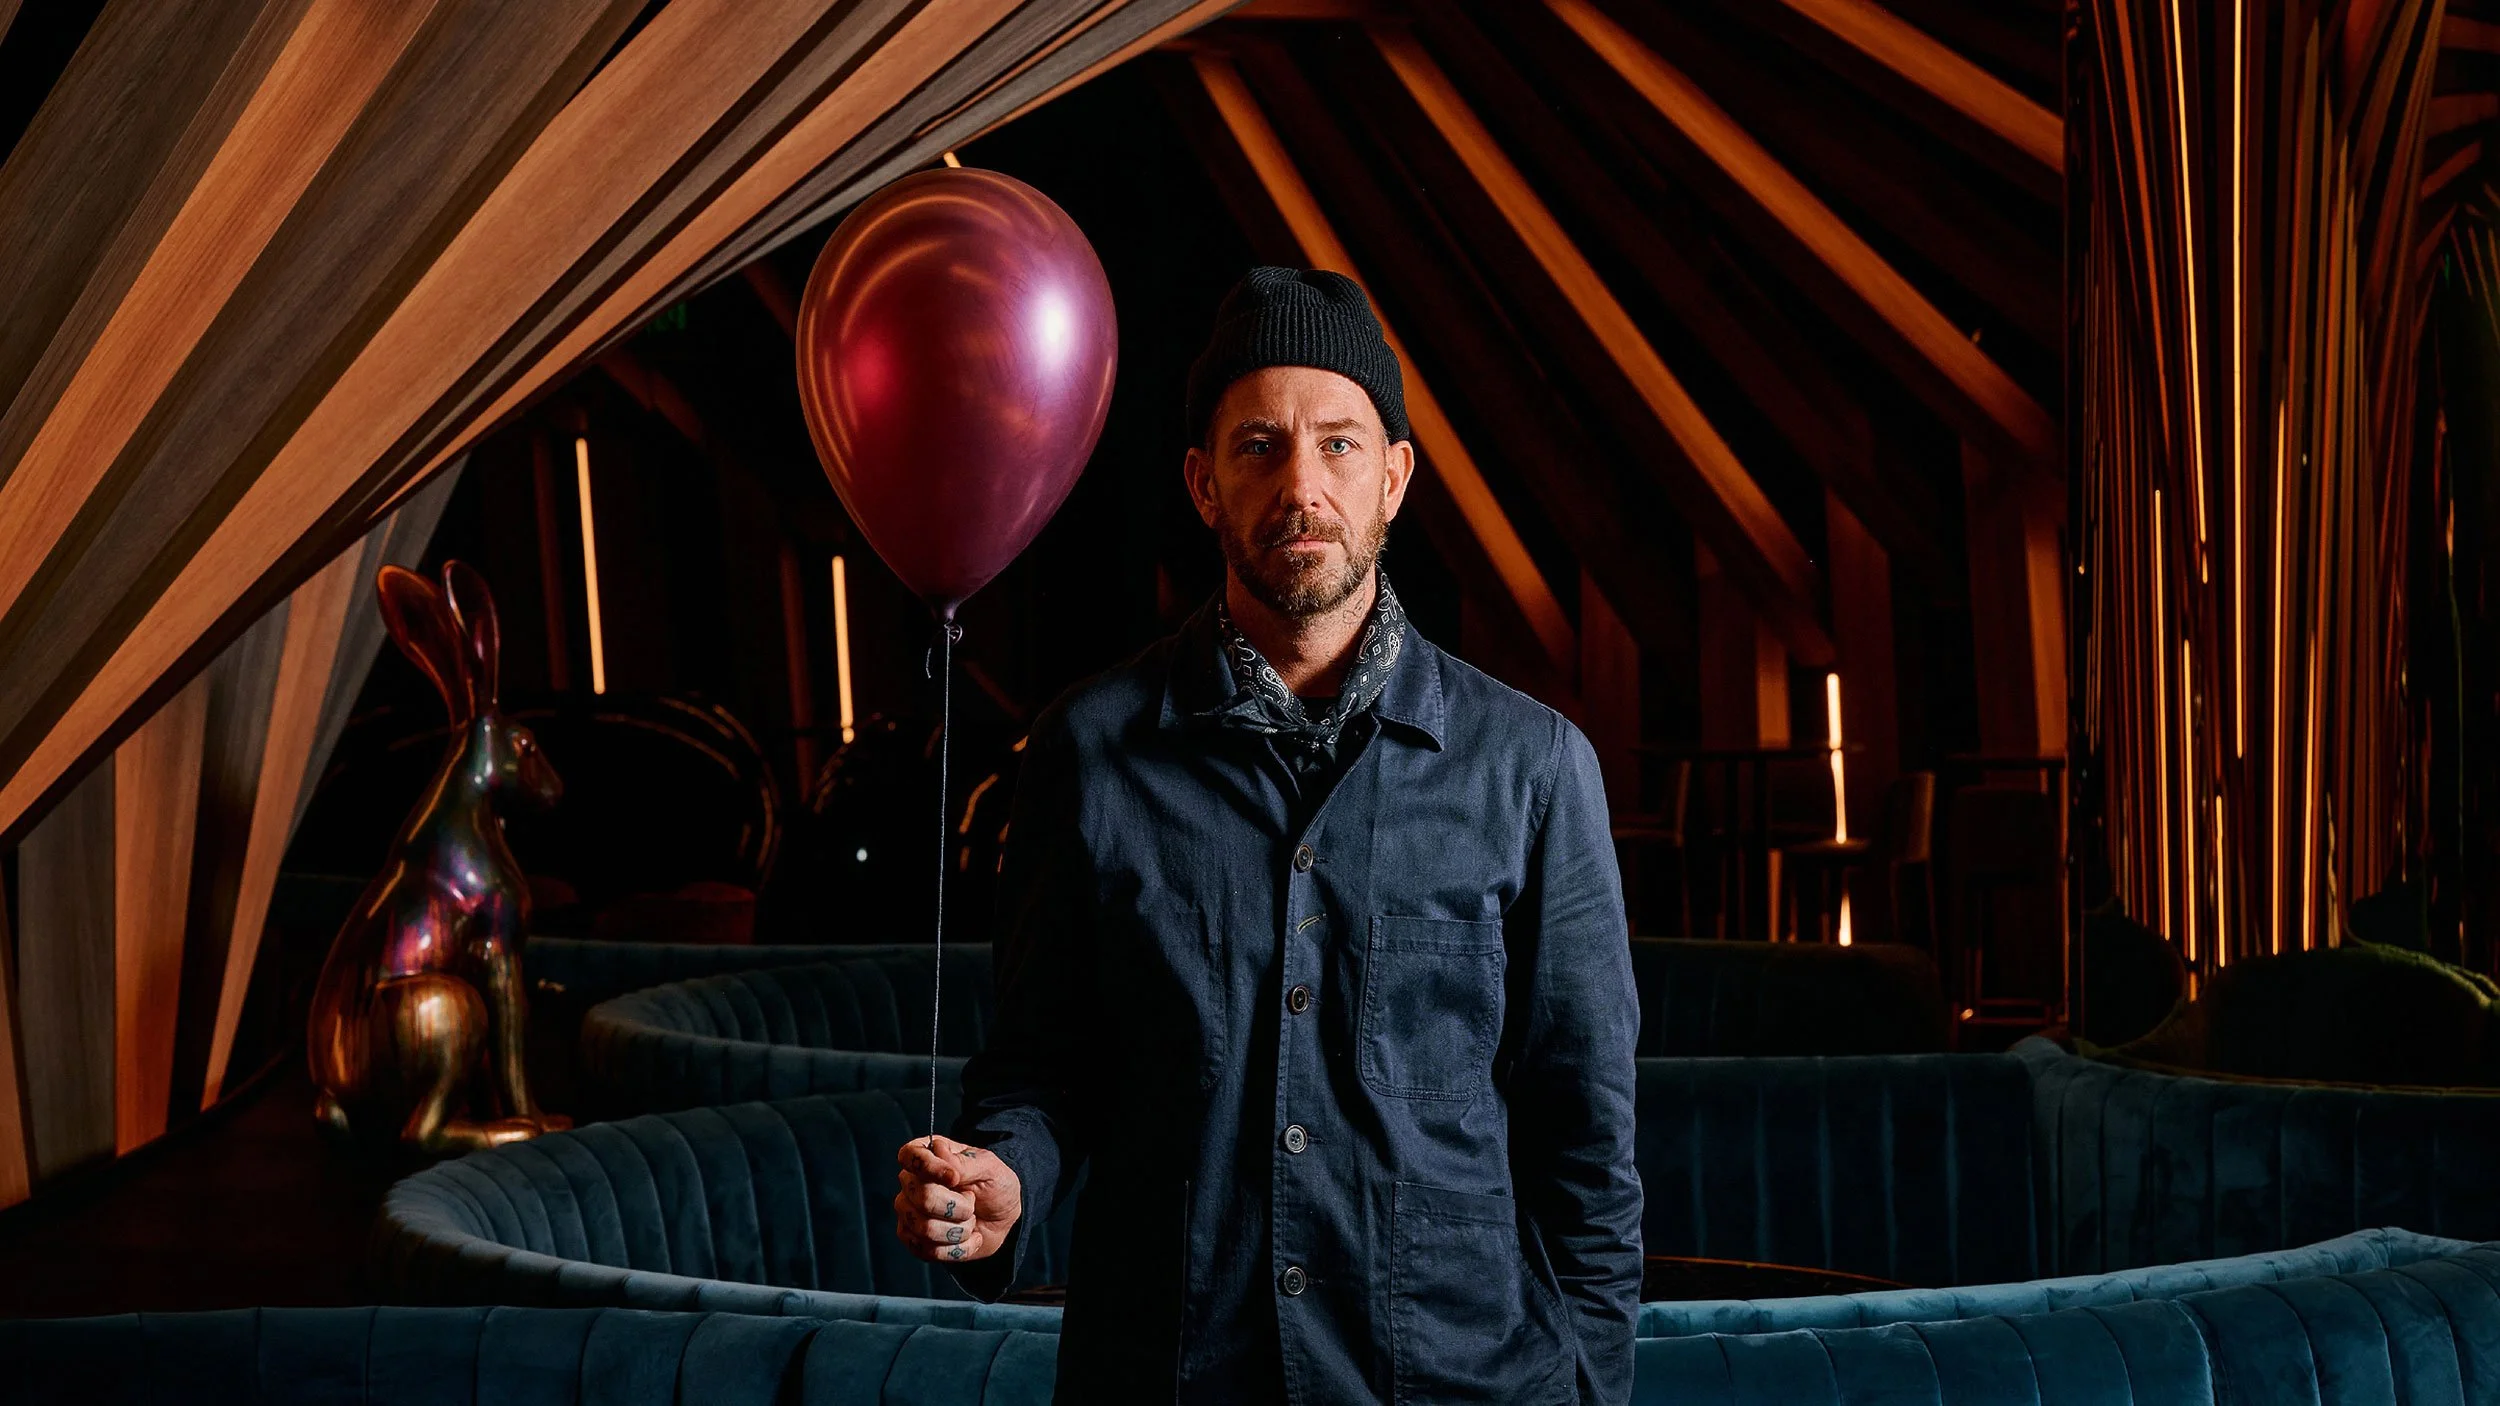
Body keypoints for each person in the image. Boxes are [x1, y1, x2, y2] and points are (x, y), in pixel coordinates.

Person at [893, 267, 1642, 1403]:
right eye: (1258, 446)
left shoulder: (1534, 768)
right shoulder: (1088, 753)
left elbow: (1584, 1148)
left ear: (1394, 477)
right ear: (1203, 483)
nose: (1302, 484)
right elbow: (1043, 1068)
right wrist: (1004, 1177)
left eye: (1339, 444)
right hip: (1172, 1378)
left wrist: (1587, 1384)